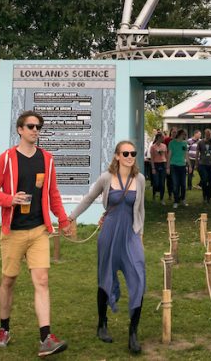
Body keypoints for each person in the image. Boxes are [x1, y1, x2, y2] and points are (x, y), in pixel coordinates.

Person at [0, 110, 75, 356]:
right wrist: (9, 199)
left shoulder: (47, 159)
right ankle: (4, 328)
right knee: (8, 280)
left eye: (38, 127)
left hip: (38, 230)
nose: (36, 130)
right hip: (13, 231)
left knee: (42, 281)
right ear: (20, 130)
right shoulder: (6, 159)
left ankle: (46, 337)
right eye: (31, 126)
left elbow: (52, 194)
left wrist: (63, 220)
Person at [68, 140, 146, 354]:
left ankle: (133, 332)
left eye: (133, 153)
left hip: (130, 235)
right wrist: (71, 218)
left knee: (138, 278)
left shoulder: (139, 179)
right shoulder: (106, 178)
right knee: (105, 278)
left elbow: (140, 210)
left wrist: (140, 234)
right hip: (109, 233)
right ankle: (102, 324)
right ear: (117, 156)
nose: (130, 156)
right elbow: (89, 198)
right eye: (126, 153)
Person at [167, 130, 189, 208]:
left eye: (185, 134)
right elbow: (169, 155)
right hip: (174, 165)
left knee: (183, 184)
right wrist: (168, 167)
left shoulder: (184, 143)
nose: (185, 135)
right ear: (180, 134)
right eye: (184, 134)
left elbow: (186, 154)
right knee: (175, 184)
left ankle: (183, 199)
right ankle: (176, 201)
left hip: (182, 165)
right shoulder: (172, 143)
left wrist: (189, 165)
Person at [197, 129, 211, 204]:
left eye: (210, 134)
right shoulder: (200, 142)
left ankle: (209, 197)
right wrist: (196, 163)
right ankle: (204, 197)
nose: (208, 135)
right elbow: (197, 152)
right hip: (202, 164)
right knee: (204, 181)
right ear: (205, 134)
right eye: (207, 134)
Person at [148, 133, 168, 202]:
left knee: (162, 182)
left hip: (163, 164)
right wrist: (153, 168)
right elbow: (152, 158)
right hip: (156, 164)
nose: (163, 138)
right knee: (156, 182)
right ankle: (154, 195)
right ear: (158, 138)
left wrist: (167, 165)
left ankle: (162, 199)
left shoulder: (164, 146)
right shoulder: (153, 147)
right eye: (162, 137)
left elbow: (166, 156)